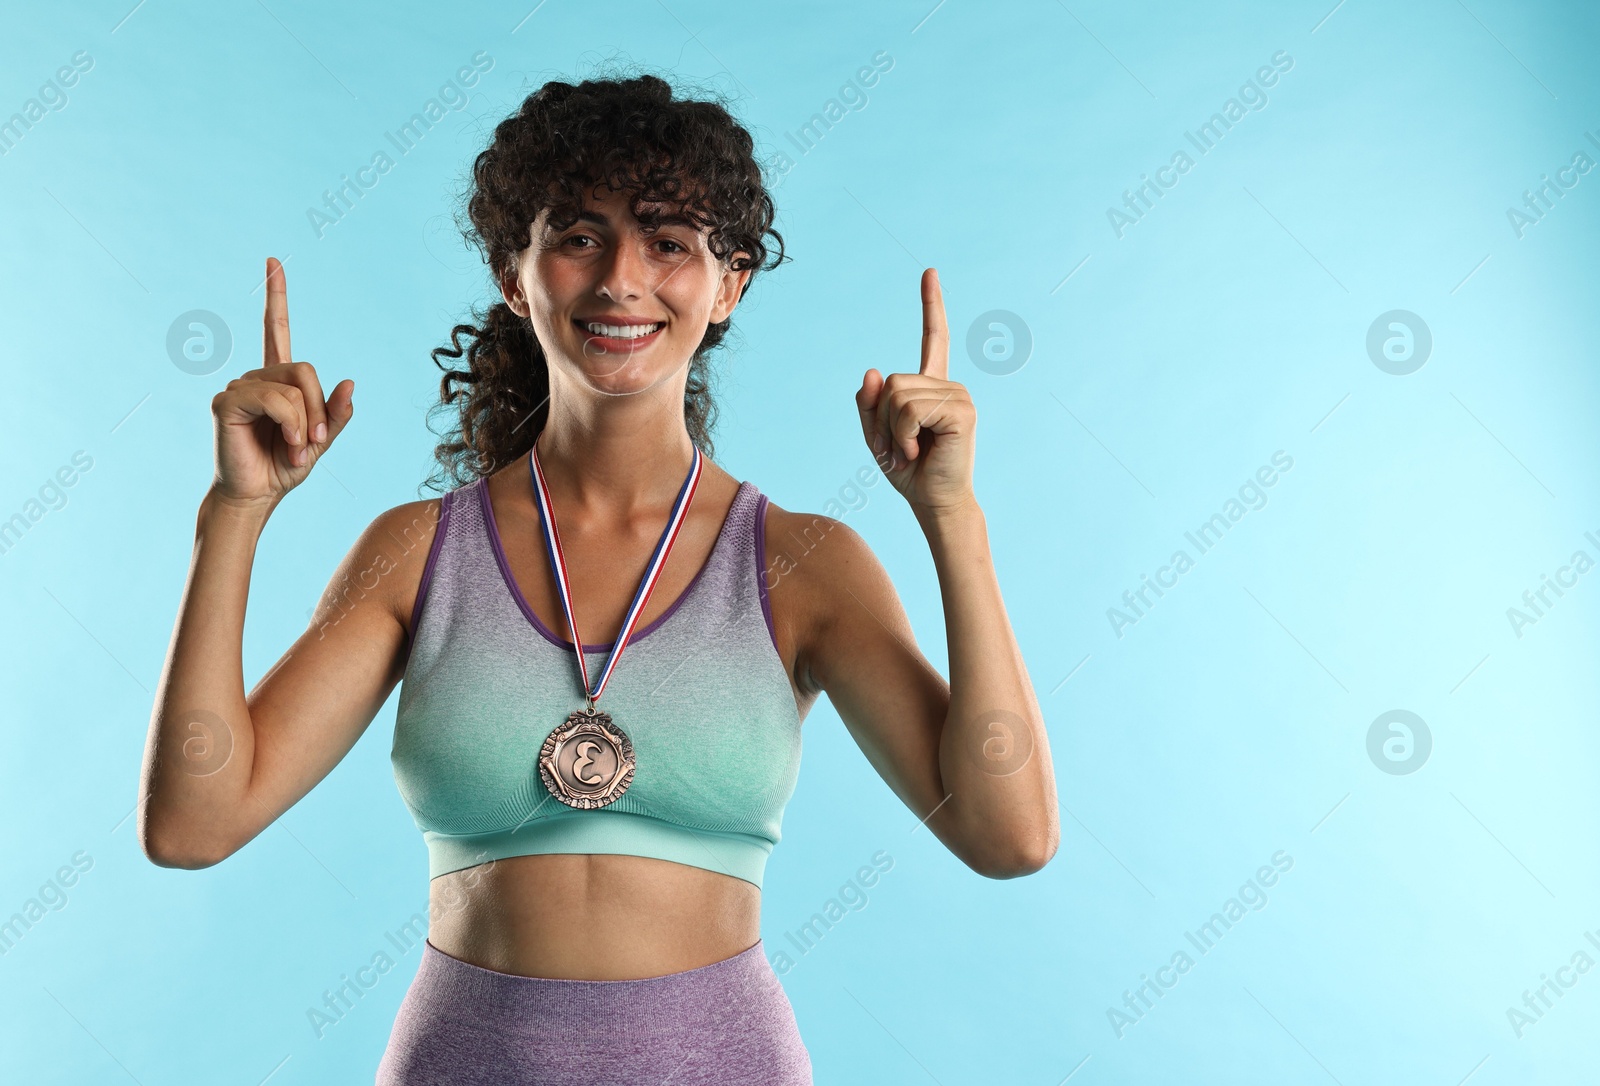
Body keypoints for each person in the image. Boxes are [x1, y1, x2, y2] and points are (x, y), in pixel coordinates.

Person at [137, 72, 1058, 1084]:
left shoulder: (802, 563)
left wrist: (951, 520)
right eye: (578, 236)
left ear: (729, 285)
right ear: (515, 275)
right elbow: (193, 824)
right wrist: (234, 516)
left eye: (669, 242)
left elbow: (1007, 836)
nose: (623, 278)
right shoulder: (416, 553)